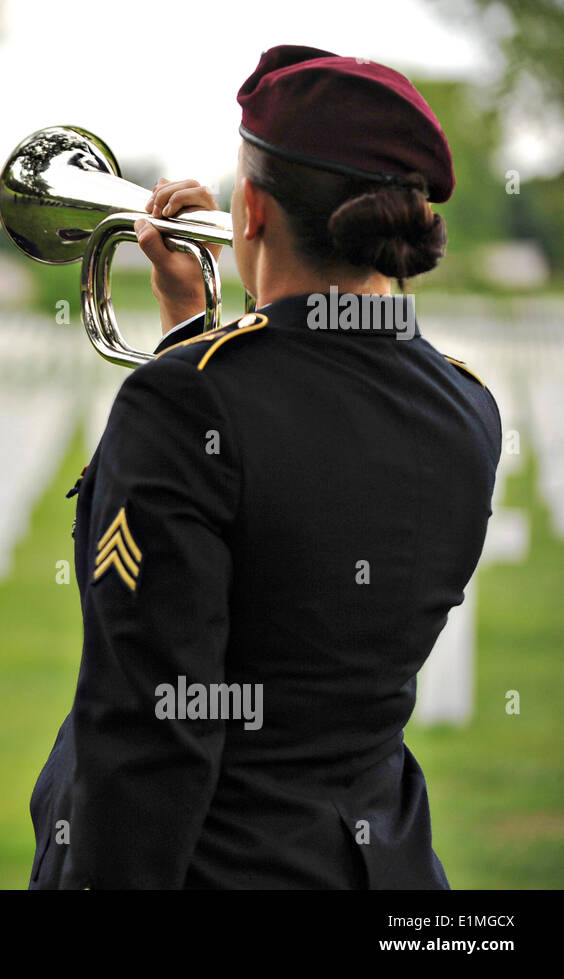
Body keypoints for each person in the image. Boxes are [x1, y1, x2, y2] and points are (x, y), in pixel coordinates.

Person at [29, 45, 500, 889]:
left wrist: (190, 360)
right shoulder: (468, 407)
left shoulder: (185, 404)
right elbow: (307, 417)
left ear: (249, 209)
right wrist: (190, 329)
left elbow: (149, 729)